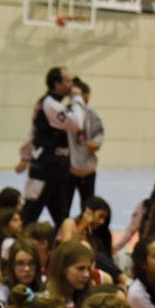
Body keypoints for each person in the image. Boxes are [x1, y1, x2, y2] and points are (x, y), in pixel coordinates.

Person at [18, 67, 86, 226]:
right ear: (57, 84)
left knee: (62, 216)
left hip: (58, 170)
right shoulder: (50, 104)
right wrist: (77, 98)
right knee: (30, 212)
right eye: (67, 80)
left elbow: (35, 131)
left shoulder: (54, 104)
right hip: (44, 168)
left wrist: (24, 156)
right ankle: (15, 240)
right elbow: (77, 124)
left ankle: (62, 241)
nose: (71, 84)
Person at [66, 78, 105, 211]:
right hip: (68, 171)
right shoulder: (64, 112)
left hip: (88, 171)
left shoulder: (92, 115)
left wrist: (93, 144)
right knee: (63, 208)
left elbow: (98, 138)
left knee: (88, 208)